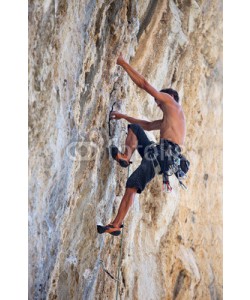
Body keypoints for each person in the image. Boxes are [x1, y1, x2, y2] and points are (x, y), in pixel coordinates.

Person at [97, 53, 186, 236]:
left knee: (133, 184)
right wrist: (122, 116)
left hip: (162, 155)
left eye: (160, 98)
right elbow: (145, 125)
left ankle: (116, 225)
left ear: (170, 97)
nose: (157, 101)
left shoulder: (171, 103)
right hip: (159, 152)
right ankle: (125, 158)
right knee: (136, 128)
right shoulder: (170, 120)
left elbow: (144, 84)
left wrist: (123, 62)